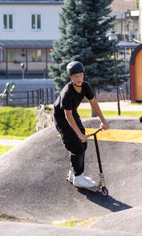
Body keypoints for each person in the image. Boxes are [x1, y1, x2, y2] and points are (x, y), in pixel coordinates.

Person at [53, 61, 109, 189]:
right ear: (70, 78)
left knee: (83, 144)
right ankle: (79, 178)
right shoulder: (67, 92)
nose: (79, 79)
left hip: (73, 112)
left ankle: (74, 173)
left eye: (81, 75)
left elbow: (93, 103)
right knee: (76, 145)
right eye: (76, 76)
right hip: (62, 117)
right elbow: (67, 116)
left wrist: (103, 120)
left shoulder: (85, 86)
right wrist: (79, 134)